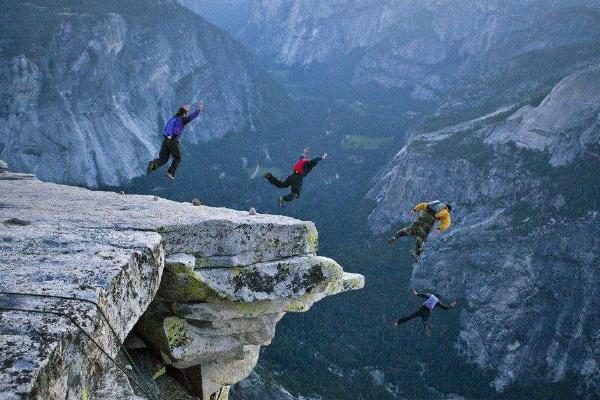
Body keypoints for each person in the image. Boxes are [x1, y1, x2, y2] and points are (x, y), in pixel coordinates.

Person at [147, 101, 205, 179]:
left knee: (164, 158)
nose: (187, 115)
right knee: (178, 158)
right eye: (186, 113)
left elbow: (166, 129)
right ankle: (170, 172)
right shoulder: (182, 119)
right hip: (173, 140)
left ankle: (153, 164)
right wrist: (199, 110)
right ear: (184, 114)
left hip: (165, 139)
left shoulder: (173, 118)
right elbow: (191, 117)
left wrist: (185, 108)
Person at [388, 200, 452, 262]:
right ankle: (417, 254)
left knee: (409, 229)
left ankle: (395, 237)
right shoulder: (446, 211)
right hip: (428, 222)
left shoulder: (434, 204)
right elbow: (447, 223)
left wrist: (414, 209)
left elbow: (423, 205)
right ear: (448, 210)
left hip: (422, 216)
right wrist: (440, 229)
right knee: (421, 237)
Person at [263, 148, 327, 207]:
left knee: (282, 184)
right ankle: (283, 199)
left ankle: (269, 176)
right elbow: (315, 160)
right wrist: (321, 157)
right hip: (298, 177)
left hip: (293, 175)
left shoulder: (304, 161)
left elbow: (301, 158)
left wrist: (304, 152)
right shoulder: (310, 163)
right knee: (296, 193)